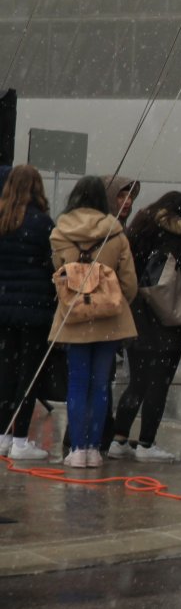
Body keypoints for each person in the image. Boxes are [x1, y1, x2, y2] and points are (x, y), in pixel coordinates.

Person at [49, 175, 137, 469]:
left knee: (77, 382)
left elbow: (59, 273)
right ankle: (94, 449)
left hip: (74, 316)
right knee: (101, 384)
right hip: (108, 318)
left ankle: (76, 449)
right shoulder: (116, 233)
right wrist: (114, 300)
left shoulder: (60, 233)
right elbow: (129, 283)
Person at [105, 192, 181, 462]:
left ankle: (119, 439)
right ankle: (146, 443)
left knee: (137, 383)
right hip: (168, 322)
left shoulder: (140, 228)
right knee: (159, 384)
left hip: (137, 316)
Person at [0, 165, 57, 460]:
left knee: (5, 372)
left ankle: (2, 435)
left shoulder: (2, 219)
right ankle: (21, 439)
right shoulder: (42, 223)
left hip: (3, 308)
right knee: (29, 375)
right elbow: (52, 265)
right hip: (34, 309)